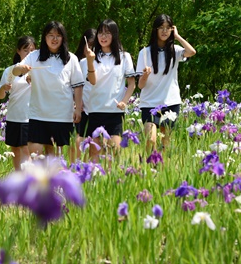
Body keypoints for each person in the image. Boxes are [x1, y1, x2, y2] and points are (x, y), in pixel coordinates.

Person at [12, 21, 84, 156]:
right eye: (50, 35)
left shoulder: (71, 58)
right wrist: (21, 68)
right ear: (45, 37)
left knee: (55, 157)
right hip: (38, 114)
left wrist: (78, 109)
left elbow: (78, 85)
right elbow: (16, 71)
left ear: (63, 38)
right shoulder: (34, 56)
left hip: (62, 116)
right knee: (35, 154)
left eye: (58, 35)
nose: (54, 39)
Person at [136, 14, 196, 152]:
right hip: (149, 103)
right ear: (155, 30)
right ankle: (150, 168)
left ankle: (162, 170)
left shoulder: (175, 50)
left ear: (172, 30)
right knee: (150, 140)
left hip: (170, 102)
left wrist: (178, 37)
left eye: (168, 28)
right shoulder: (144, 53)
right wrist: (145, 75)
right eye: (161, 28)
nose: (164, 31)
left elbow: (192, 51)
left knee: (166, 143)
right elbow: (140, 85)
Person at [83, 19, 136, 162]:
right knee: (94, 152)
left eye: (107, 33)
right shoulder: (93, 57)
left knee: (114, 151)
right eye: (100, 33)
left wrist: (124, 102)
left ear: (114, 35)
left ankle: (112, 182)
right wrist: (89, 61)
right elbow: (92, 81)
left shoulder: (125, 57)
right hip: (95, 110)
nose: (103, 37)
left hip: (115, 112)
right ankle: (93, 183)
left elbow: (132, 84)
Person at [0, 36, 36, 170]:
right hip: (14, 115)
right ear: (18, 51)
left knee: (26, 150)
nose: (29, 54)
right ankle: (19, 178)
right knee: (15, 150)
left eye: (32, 50)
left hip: (30, 117)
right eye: (26, 50)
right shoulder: (9, 71)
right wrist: (4, 88)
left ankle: (30, 180)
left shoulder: (37, 70)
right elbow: (0, 95)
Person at [70, 28, 96, 161]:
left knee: (96, 143)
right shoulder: (79, 62)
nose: (91, 49)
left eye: (94, 46)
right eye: (89, 45)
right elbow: (75, 85)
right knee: (79, 140)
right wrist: (77, 103)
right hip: (83, 108)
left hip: (98, 107)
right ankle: (77, 166)